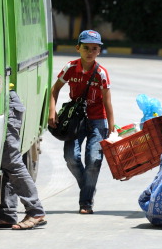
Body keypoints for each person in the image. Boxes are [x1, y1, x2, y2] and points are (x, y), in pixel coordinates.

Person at [48, 30, 115, 215]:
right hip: (75, 120)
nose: (90, 52)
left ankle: (86, 202)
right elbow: (54, 90)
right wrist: (51, 111)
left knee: (94, 160)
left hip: (97, 120)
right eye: (86, 47)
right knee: (71, 158)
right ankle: (88, 187)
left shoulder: (101, 73)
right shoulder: (70, 67)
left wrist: (112, 127)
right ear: (78, 48)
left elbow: (107, 101)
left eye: (94, 48)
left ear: (99, 51)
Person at [0, 88, 47, 230]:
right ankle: (7, 215)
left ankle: (35, 211)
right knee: (5, 164)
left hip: (5, 103)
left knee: (11, 160)